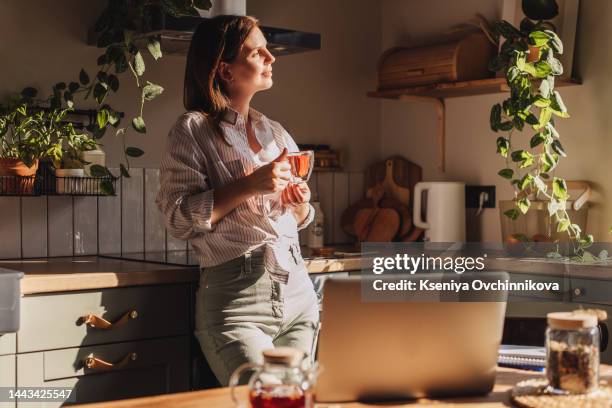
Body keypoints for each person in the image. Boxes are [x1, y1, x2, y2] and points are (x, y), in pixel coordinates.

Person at [156, 15, 320, 386]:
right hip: (237, 304)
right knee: (263, 398)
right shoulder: (193, 130)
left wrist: (298, 203)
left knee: (295, 402)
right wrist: (249, 185)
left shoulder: (275, 132)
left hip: (298, 294)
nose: (270, 57)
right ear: (225, 70)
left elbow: (299, 218)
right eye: (256, 52)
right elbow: (178, 219)